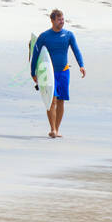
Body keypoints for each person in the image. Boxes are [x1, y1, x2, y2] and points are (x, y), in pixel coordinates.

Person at [30, 9, 85, 138]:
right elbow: (36, 54)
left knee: (61, 101)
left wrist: (81, 65)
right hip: (49, 73)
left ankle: (57, 129)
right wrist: (33, 72)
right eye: (59, 19)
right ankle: (53, 129)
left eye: (63, 19)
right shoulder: (44, 36)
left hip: (64, 72)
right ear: (53, 20)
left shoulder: (68, 35)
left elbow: (76, 50)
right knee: (51, 100)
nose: (62, 21)